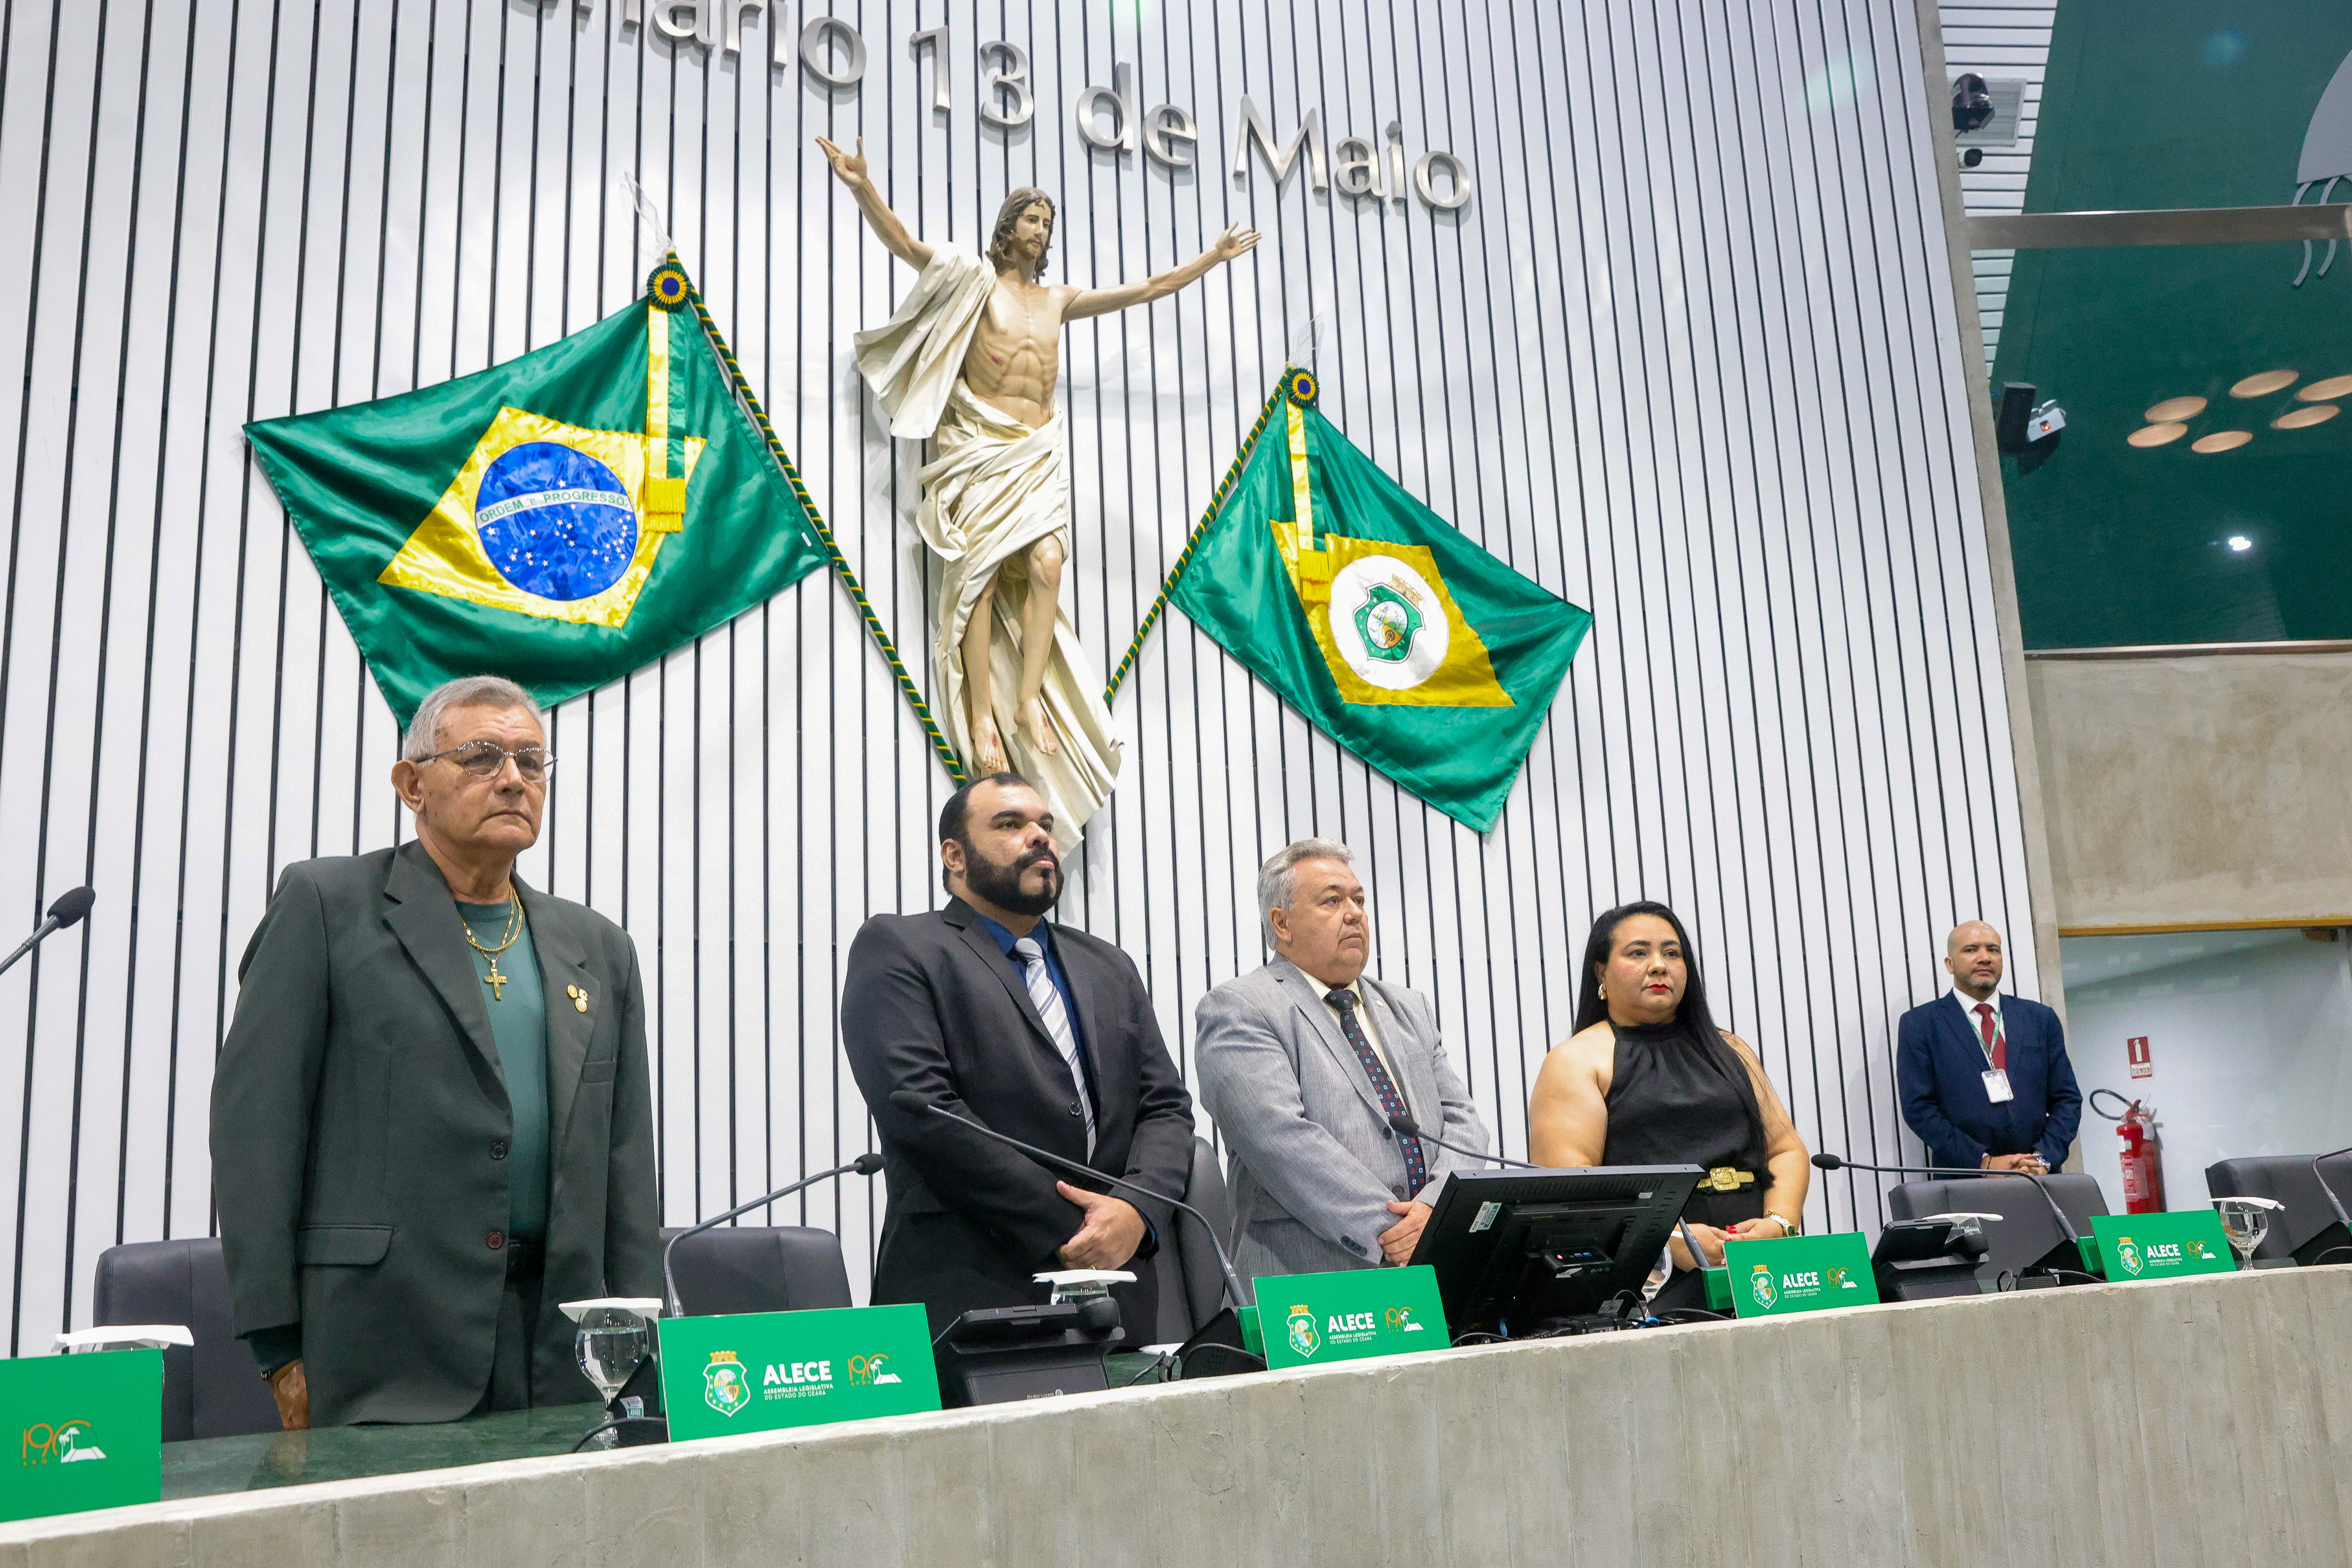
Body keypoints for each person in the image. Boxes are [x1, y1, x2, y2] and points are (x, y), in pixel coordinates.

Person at [211, 676, 660, 1429]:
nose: (513, 777)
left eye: (531, 760)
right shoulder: (327, 905)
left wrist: (643, 1339)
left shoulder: (597, 947)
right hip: (377, 1348)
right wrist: (277, 1344)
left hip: (558, 1354)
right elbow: (255, 1129)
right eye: (482, 756)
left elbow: (624, 1160)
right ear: (411, 783)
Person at [818, 134, 1258, 845]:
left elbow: (1148, 289)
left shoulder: (1058, 299)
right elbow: (901, 243)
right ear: (1008, 227)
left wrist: (1211, 258)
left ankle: (1027, 702)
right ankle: (985, 711)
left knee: (1049, 563)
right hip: (979, 444)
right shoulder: (971, 280)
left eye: (1048, 223)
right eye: (1032, 219)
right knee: (982, 580)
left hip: (1035, 447)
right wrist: (862, 185)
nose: (1041, 230)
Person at [840, 772, 1196, 1337]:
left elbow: (1167, 1110)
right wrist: (1080, 1230)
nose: (1039, 837)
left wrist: (1135, 1213)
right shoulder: (900, 947)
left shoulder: (1108, 965)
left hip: (1117, 1294)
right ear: (954, 855)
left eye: (1046, 825)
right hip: (969, 1289)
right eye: (1010, 824)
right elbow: (923, 1112)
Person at [1194, 839, 1489, 1292]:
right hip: (1310, 1285)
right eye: (1332, 900)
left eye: (1358, 899)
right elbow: (1281, 1143)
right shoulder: (1240, 1007)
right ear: (1282, 923)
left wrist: (1434, 1210)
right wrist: (1396, 1234)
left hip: (1427, 1271)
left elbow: (1464, 1123)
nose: (1354, 913)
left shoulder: (1407, 1006)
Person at [1527, 902, 1810, 1310]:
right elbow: (1574, 1196)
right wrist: (1669, 1242)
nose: (1658, 965)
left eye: (1672, 953)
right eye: (1638, 953)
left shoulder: (1731, 1049)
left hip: (1761, 1266)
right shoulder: (1576, 1061)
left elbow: (1786, 1149)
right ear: (1601, 972)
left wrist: (1778, 1224)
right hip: (1650, 1282)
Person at [1898, 920, 2081, 1177]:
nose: (1985, 958)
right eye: (1971, 950)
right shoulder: (1921, 1024)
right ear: (1949, 964)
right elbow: (1919, 1108)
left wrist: (2043, 1158)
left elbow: (2067, 1099)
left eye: (1993, 950)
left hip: (2039, 1177)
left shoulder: (2039, 1019)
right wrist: (1984, 1163)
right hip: (1965, 1178)